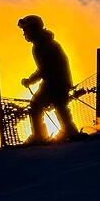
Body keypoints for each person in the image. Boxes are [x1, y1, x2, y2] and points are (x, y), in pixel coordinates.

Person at [18, 15, 80, 144]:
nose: (24, 34)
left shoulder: (42, 45)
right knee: (60, 106)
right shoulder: (44, 43)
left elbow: (45, 68)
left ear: (33, 29)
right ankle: (69, 131)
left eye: (26, 30)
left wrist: (30, 80)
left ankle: (39, 136)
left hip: (54, 81)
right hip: (58, 81)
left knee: (36, 105)